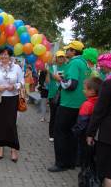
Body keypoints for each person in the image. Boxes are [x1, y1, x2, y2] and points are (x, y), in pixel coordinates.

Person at [48, 40, 90, 172]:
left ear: (73, 51)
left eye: (68, 50)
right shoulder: (85, 64)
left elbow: (71, 85)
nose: (66, 52)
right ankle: (71, 162)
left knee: (60, 133)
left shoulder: (74, 63)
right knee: (72, 135)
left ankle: (61, 163)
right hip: (80, 105)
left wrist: (58, 79)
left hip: (68, 104)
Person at [0, 46, 24, 162]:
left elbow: (22, 81)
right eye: (2, 54)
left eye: (6, 54)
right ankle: (0, 148)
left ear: (10, 55)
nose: (4, 56)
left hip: (12, 99)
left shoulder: (16, 67)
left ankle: (13, 149)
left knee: (11, 124)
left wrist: (15, 86)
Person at [87, 53, 111, 187]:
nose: (101, 68)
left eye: (103, 66)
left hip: (108, 135)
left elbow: (99, 111)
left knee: (108, 172)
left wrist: (90, 133)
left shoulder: (108, 84)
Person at [71, 77, 102, 166]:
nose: (83, 91)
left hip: (84, 134)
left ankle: (81, 164)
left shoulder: (87, 104)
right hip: (95, 134)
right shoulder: (99, 102)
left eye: (85, 89)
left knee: (82, 151)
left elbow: (81, 122)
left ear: (92, 91)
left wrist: (75, 131)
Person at [47, 51, 67, 142]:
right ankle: (51, 134)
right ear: (56, 58)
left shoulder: (68, 67)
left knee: (61, 116)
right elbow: (55, 78)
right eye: (59, 57)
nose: (61, 58)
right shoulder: (52, 67)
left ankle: (58, 134)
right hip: (53, 95)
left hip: (64, 95)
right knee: (53, 115)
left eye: (62, 56)